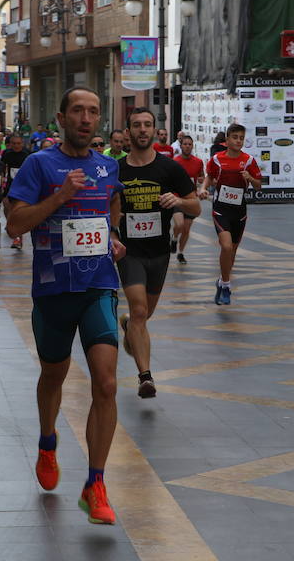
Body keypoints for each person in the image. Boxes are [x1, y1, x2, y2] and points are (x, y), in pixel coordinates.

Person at [5, 86, 125, 526]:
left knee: (107, 384)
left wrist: (113, 238)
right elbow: (15, 223)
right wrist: (57, 198)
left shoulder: (108, 166)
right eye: (77, 110)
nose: (86, 119)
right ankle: (47, 440)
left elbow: (109, 208)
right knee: (53, 374)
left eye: (94, 112)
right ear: (61, 117)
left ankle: (95, 484)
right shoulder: (39, 165)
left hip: (98, 286)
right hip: (53, 292)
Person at [116, 108, 200, 398]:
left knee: (143, 315)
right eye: (136, 125)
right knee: (139, 310)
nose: (142, 129)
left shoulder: (170, 168)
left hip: (159, 253)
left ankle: (128, 326)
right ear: (128, 132)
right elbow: (106, 207)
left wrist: (177, 200)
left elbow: (196, 207)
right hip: (129, 252)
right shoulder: (117, 169)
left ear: (154, 131)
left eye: (147, 125)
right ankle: (145, 377)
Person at [200, 123, 262, 305]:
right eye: (235, 137)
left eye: (242, 138)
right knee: (226, 247)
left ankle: (221, 281)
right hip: (221, 209)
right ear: (227, 140)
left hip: (239, 210)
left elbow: (259, 185)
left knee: (232, 251)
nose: (238, 141)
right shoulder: (217, 159)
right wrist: (203, 189)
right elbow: (209, 177)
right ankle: (226, 285)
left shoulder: (249, 160)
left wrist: (250, 179)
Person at [171, 135, 205, 264]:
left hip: (191, 199)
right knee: (179, 224)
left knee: (186, 229)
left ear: (192, 146)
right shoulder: (175, 161)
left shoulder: (198, 162)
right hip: (177, 198)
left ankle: (180, 252)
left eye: (190, 144)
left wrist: (201, 183)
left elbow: (202, 176)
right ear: (181, 146)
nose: (187, 146)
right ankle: (174, 238)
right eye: (185, 144)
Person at [1, 134, 29, 250]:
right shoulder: (7, 154)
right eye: (14, 144)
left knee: (18, 211)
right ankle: (11, 225)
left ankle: (18, 237)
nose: (16, 146)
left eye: (18, 144)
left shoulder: (28, 154)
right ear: (10, 144)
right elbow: (3, 167)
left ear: (22, 144)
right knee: (7, 207)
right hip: (10, 185)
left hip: (23, 186)